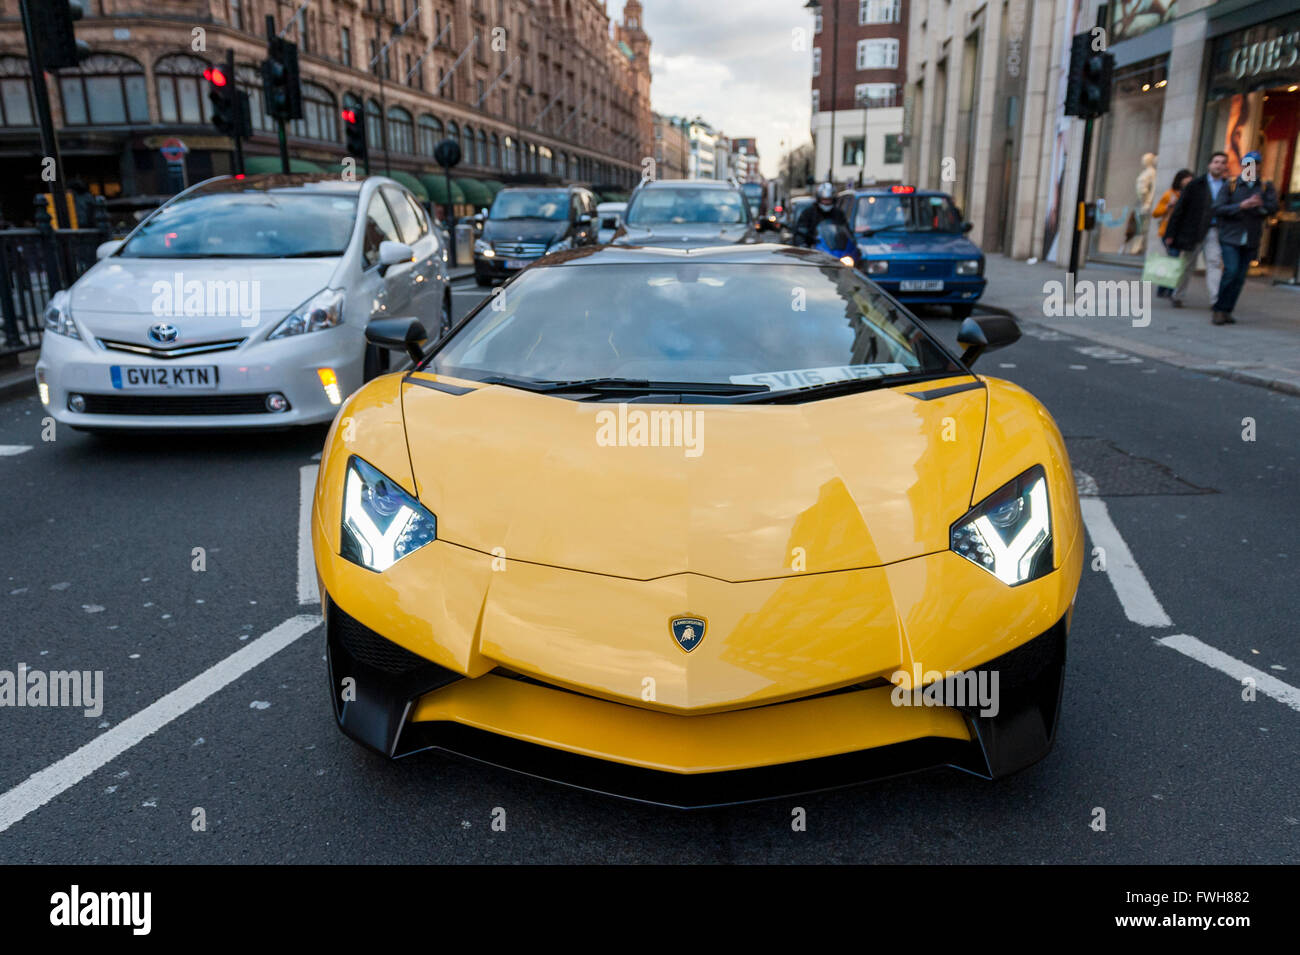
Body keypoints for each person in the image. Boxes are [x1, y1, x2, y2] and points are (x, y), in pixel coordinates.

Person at [1209, 150, 1278, 325]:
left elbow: (1272, 208)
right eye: (1248, 164)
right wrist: (1241, 205)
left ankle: (1227, 310)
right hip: (1230, 237)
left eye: (1255, 165)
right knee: (1230, 271)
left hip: (1251, 238)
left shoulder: (1265, 187)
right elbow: (1218, 208)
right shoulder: (1231, 185)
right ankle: (1218, 309)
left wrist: (1261, 205)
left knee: (1239, 278)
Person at [1163, 151, 1231, 308]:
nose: (1219, 165)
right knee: (1187, 264)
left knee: (1214, 264)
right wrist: (1170, 233)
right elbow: (1180, 209)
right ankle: (1178, 294)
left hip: (1214, 231)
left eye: (1222, 162)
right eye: (1216, 162)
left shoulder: (1228, 186)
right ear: (1210, 165)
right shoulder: (1195, 185)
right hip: (1193, 231)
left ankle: (1216, 300)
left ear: (1225, 166)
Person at [1151, 168, 1193, 298]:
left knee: (1173, 261)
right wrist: (1168, 206)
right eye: (1185, 181)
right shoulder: (1169, 194)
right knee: (1173, 259)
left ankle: (1164, 288)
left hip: (1183, 233)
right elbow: (1156, 213)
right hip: (1168, 232)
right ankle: (1167, 289)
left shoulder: (1191, 196)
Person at [792, 181, 849, 248]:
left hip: (834, 250)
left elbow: (846, 231)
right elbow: (800, 232)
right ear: (819, 199)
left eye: (829, 199)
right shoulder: (808, 213)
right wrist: (802, 244)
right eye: (824, 199)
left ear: (833, 199)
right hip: (813, 249)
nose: (826, 202)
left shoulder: (838, 214)